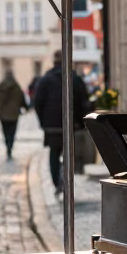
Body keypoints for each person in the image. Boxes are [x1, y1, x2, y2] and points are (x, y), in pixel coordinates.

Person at [34, 49, 90, 190]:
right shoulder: (75, 79)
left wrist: (43, 122)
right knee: (69, 154)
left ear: (54, 62)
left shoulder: (46, 79)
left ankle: (57, 183)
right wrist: (81, 121)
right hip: (71, 124)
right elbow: (84, 102)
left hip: (52, 125)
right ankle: (67, 180)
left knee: (54, 153)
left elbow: (37, 102)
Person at [0, 68, 26, 159]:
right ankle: (10, 144)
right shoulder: (16, 86)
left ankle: (8, 144)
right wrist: (25, 107)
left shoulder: (1, 86)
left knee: (5, 131)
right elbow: (21, 98)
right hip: (14, 114)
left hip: (3, 115)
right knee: (12, 131)